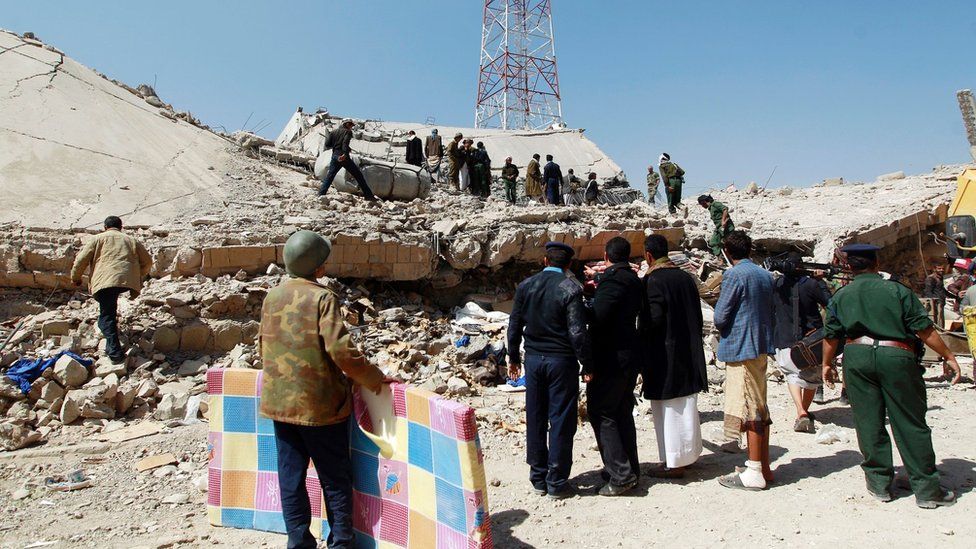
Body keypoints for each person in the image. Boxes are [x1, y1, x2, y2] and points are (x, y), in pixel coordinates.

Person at [260, 230, 394, 548]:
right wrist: (373, 377)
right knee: (334, 478)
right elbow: (342, 351)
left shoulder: (271, 296)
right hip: (320, 406)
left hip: (280, 404)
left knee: (290, 477)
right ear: (317, 267)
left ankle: (299, 542)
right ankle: (342, 542)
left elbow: (263, 346)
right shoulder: (322, 298)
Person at [822, 243, 961, 508]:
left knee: (868, 420)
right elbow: (924, 329)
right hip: (896, 355)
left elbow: (831, 335)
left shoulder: (841, 295)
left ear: (850, 267)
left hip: (857, 357)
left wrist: (826, 364)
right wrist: (948, 355)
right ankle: (926, 489)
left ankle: (879, 484)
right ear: (876, 263)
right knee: (909, 420)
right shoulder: (897, 290)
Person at [507, 241, 594, 499]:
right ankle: (556, 481)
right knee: (561, 419)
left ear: (545, 261)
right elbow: (577, 332)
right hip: (561, 362)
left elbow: (514, 325)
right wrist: (587, 364)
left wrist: (513, 357)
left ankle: (537, 477)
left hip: (533, 360)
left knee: (535, 416)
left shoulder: (526, 286)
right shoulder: (571, 288)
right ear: (567, 265)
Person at [640, 234, 707, 478]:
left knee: (668, 409)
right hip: (687, 351)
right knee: (686, 406)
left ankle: (673, 462)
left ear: (648, 256)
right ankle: (687, 456)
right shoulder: (685, 278)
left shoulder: (653, 281)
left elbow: (654, 320)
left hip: (664, 355)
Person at [713, 230, 775, 491]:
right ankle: (764, 466)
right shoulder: (764, 274)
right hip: (761, 345)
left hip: (741, 348)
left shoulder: (733, 275)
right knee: (760, 404)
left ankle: (754, 472)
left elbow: (720, 316)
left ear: (727, 251)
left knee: (749, 409)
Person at [587, 237, 643, 495]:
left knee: (602, 412)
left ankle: (620, 476)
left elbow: (599, 317)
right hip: (629, 352)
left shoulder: (612, 280)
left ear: (607, 256)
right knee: (621, 411)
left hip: (611, 356)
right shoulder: (633, 279)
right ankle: (628, 467)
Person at [70, 216, 152, 363]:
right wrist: (136, 274)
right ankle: (110, 345)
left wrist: (75, 278)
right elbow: (147, 261)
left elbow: (81, 260)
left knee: (105, 317)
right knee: (109, 309)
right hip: (125, 281)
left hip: (104, 281)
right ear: (121, 227)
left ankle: (115, 352)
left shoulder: (97, 239)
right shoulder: (131, 240)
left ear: (105, 227)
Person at [770, 253, 831, 433]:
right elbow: (831, 304)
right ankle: (804, 410)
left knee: (792, 375)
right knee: (812, 377)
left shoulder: (777, 285)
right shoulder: (811, 284)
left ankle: (800, 411)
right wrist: (820, 282)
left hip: (784, 339)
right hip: (812, 341)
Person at [318, 119, 377, 201]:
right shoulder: (347, 132)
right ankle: (369, 196)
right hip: (344, 157)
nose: (351, 128)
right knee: (358, 175)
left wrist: (337, 147)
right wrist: (345, 154)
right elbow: (345, 143)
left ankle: (321, 194)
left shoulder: (333, 132)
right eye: (351, 125)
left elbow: (328, 144)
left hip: (335, 156)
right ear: (347, 125)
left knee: (330, 176)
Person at [921, 264, 946, 328]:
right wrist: (934, 301)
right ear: (934, 269)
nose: (942, 270)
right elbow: (927, 291)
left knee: (941, 320)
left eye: (943, 268)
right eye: (939, 268)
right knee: (937, 321)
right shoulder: (931, 278)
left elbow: (942, 290)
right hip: (936, 303)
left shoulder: (940, 277)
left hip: (941, 302)